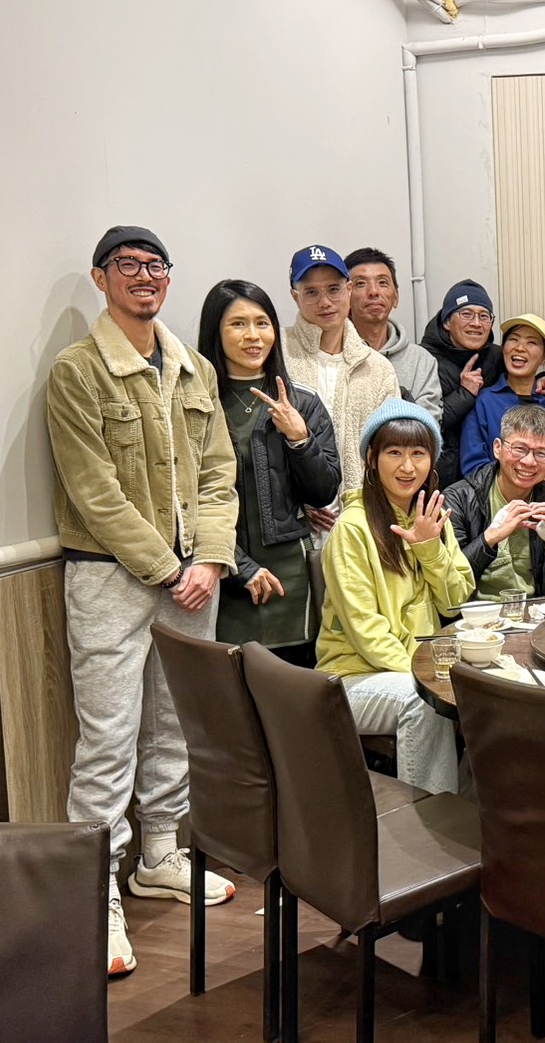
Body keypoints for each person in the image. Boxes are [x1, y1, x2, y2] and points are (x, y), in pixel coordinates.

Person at [47, 225, 239, 978]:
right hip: (112, 577)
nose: (144, 276)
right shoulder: (78, 371)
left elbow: (218, 472)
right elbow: (93, 492)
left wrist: (211, 559)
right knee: (108, 739)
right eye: (127, 265)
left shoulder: (194, 368)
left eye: (155, 265)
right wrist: (168, 568)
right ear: (101, 278)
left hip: (195, 575)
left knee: (176, 723)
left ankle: (159, 854)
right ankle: (91, 893)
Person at [315, 399, 475, 794]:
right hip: (353, 678)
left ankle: (472, 816)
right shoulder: (352, 529)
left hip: (420, 670)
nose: (407, 467)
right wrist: (428, 681)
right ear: (372, 459)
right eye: (394, 453)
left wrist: (429, 548)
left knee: (495, 695)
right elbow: (366, 632)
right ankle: (429, 820)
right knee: (424, 703)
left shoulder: (432, 518)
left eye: (418, 453)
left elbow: (456, 601)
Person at [197, 280, 341, 665]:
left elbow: (324, 491)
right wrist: (241, 568)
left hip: (291, 577)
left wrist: (300, 438)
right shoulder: (198, 404)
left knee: (296, 685)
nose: (253, 336)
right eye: (238, 324)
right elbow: (188, 499)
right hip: (220, 570)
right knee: (232, 688)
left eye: (262, 323)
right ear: (215, 332)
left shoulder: (302, 402)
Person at [280, 244, 397, 518]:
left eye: (333, 289)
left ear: (348, 290)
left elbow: (389, 449)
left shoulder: (378, 368)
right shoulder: (278, 352)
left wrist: (365, 512)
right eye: (311, 292)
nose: (325, 302)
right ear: (296, 297)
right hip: (291, 519)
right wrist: (297, 506)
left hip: (360, 517)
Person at [418, 278, 545, 483]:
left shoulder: (495, 356)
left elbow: (522, 373)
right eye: (466, 314)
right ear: (446, 321)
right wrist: (464, 395)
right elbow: (421, 423)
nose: (476, 323)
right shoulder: (423, 360)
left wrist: (543, 378)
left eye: (483, 316)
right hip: (439, 475)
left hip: (504, 478)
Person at [443, 404, 545, 598]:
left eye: (541, 453)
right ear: (497, 448)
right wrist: (490, 538)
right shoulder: (458, 499)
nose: (529, 462)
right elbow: (449, 582)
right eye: (520, 449)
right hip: (474, 611)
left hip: (533, 611)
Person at [459, 313, 545, 477]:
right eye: (513, 339)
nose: (520, 348)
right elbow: (473, 467)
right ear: (503, 348)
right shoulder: (484, 401)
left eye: (531, 342)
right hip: (496, 492)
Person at [345, 246, 443, 421]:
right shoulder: (332, 355)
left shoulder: (421, 361)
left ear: (395, 297)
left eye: (382, 282)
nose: (373, 292)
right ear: (345, 297)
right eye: (360, 283)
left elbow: (428, 425)